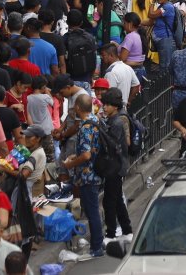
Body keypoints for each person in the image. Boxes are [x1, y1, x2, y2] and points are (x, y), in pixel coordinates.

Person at [60, 93, 106, 258]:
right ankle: (99, 243)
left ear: (78, 108)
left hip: (88, 175)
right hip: (96, 173)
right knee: (93, 209)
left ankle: (97, 248)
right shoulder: (97, 120)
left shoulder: (86, 126)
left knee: (92, 211)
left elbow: (86, 155)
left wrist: (70, 164)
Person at [98, 88, 135, 243]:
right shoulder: (112, 120)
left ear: (115, 106)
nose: (104, 107)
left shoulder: (118, 122)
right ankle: (126, 230)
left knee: (109, 201)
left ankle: (111, 233)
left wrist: (100, 127)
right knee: (118, 200)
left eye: (107, 105)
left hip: (116, 166)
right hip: (115, 165)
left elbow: (111, 143)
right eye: (103, 104)